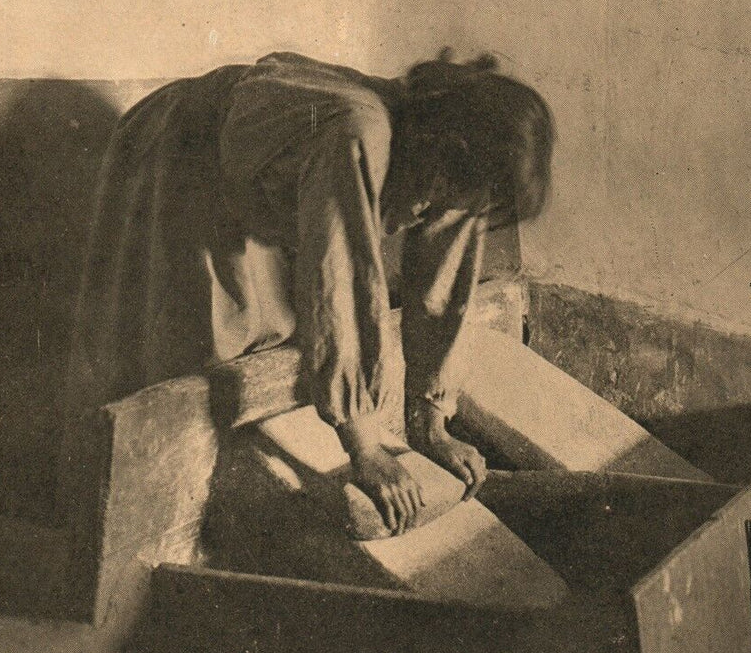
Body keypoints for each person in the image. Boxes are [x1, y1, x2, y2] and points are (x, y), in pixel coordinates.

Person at [63, 49, 554, 536]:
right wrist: (365, 446)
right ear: (450, 149)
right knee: (187, 347)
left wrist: (431, 420)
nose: (459, 206)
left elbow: (445, 278)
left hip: (255, 183)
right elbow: (339, 280)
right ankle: (115, 526)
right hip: (183, 150)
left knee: (272, 338)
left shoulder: (453, 160)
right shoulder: (361, 133)